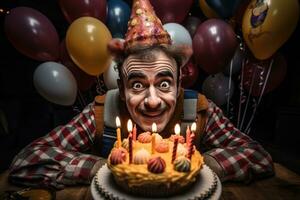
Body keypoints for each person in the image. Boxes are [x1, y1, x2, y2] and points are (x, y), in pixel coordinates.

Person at [9, 0, 274, 189]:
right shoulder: (103, 111)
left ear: (180, 83)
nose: (153, 100)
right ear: (122, 90)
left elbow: (256, 155)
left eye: (164, 84)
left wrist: (200, 167)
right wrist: (106, 170)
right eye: (137, 85)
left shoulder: (198, 109)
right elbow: (27, 160)